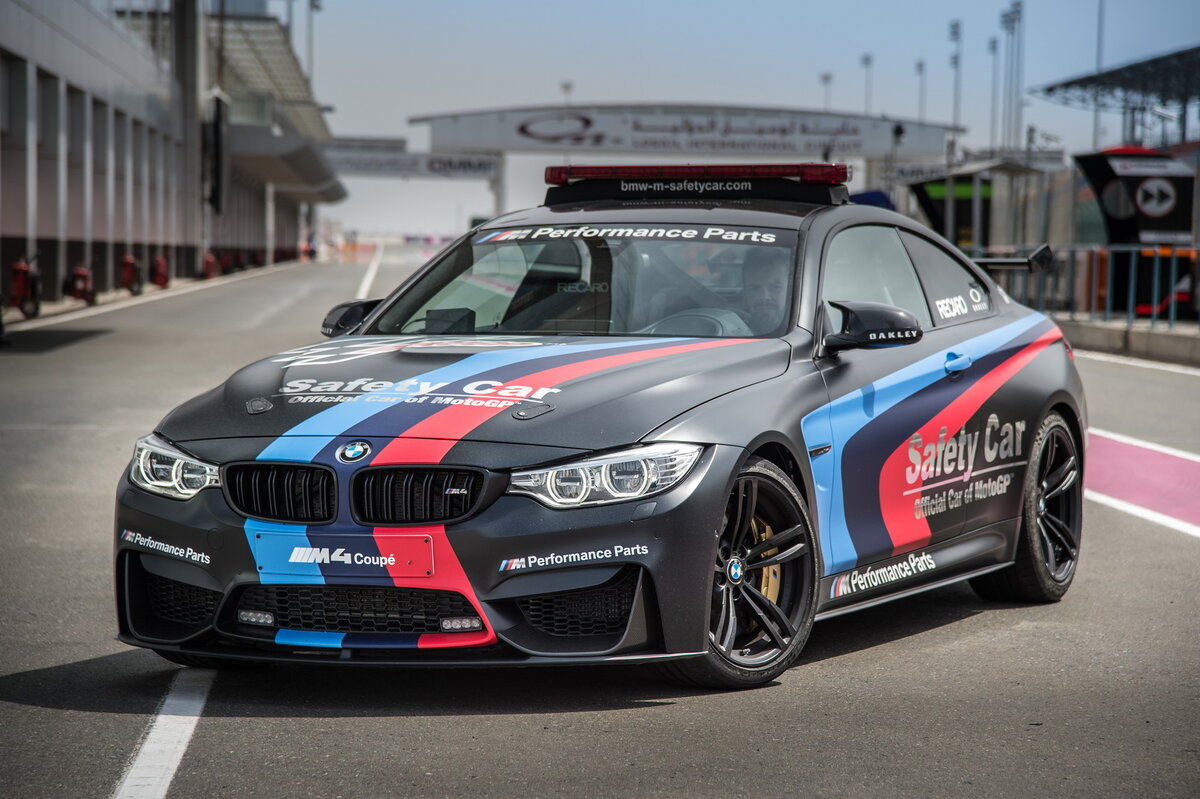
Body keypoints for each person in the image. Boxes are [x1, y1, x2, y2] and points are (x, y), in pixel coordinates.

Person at [741, 246, 792, 334]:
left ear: (790, 291)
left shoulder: (807, 328)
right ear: (744, 293)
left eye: (775, 287)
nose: (764, 297)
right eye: (754, 288)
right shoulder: (729, 328)